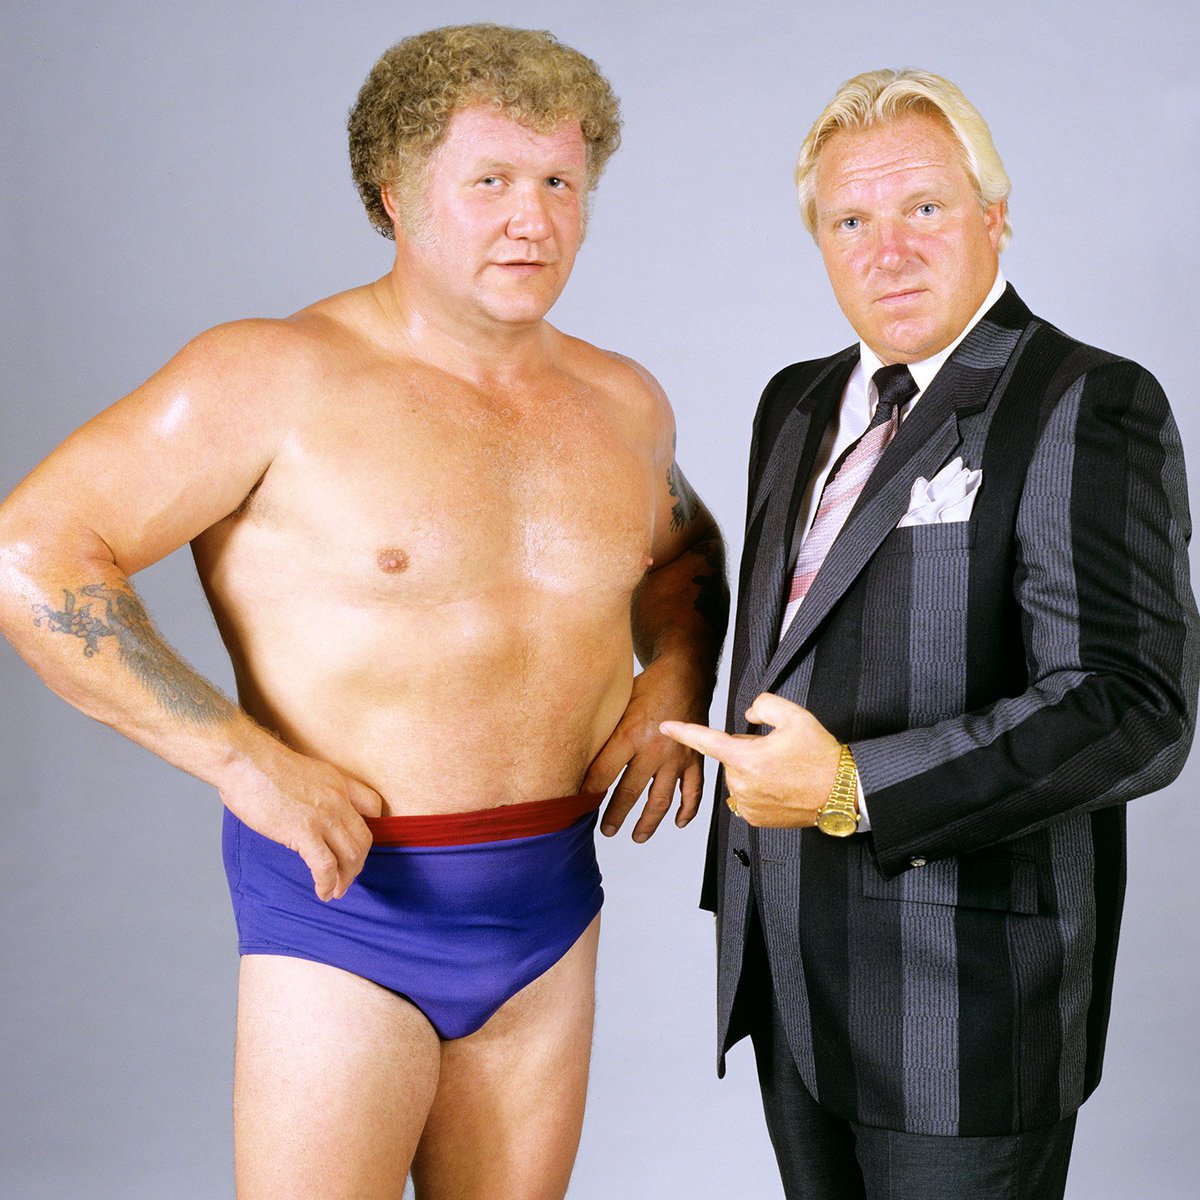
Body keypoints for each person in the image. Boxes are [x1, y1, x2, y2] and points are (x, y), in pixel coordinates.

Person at [0, 23, 726, 1200]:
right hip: (343, 912)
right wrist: (235, 758)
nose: (531, 219)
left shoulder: (621, 399)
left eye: (559, 183)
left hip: (548, 906)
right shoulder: (269, 375)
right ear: (393, 194)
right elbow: (32, 553)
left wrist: (676, 675)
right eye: (488, 181)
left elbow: (685, 549)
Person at [662, 68, 1196, 1199]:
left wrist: (854, 786)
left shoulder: (1087, 402)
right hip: (786, 968)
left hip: (964, 999)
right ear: (820, 241)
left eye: (925, 210)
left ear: (994, 219)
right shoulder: (795, 403)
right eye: (851, 219)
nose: (886, 250)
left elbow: (1131, 709)